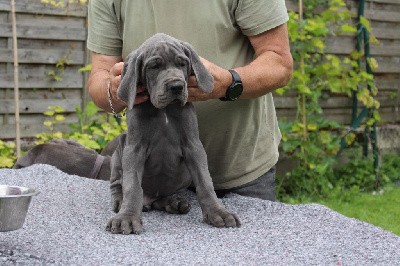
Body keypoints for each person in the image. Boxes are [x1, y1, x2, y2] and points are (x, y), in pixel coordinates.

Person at [86, 0, 293, 201]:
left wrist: (227, 84)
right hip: (155, 180)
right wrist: (115, 91)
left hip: (242, 172)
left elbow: (280, 64)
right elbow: (99, 78)